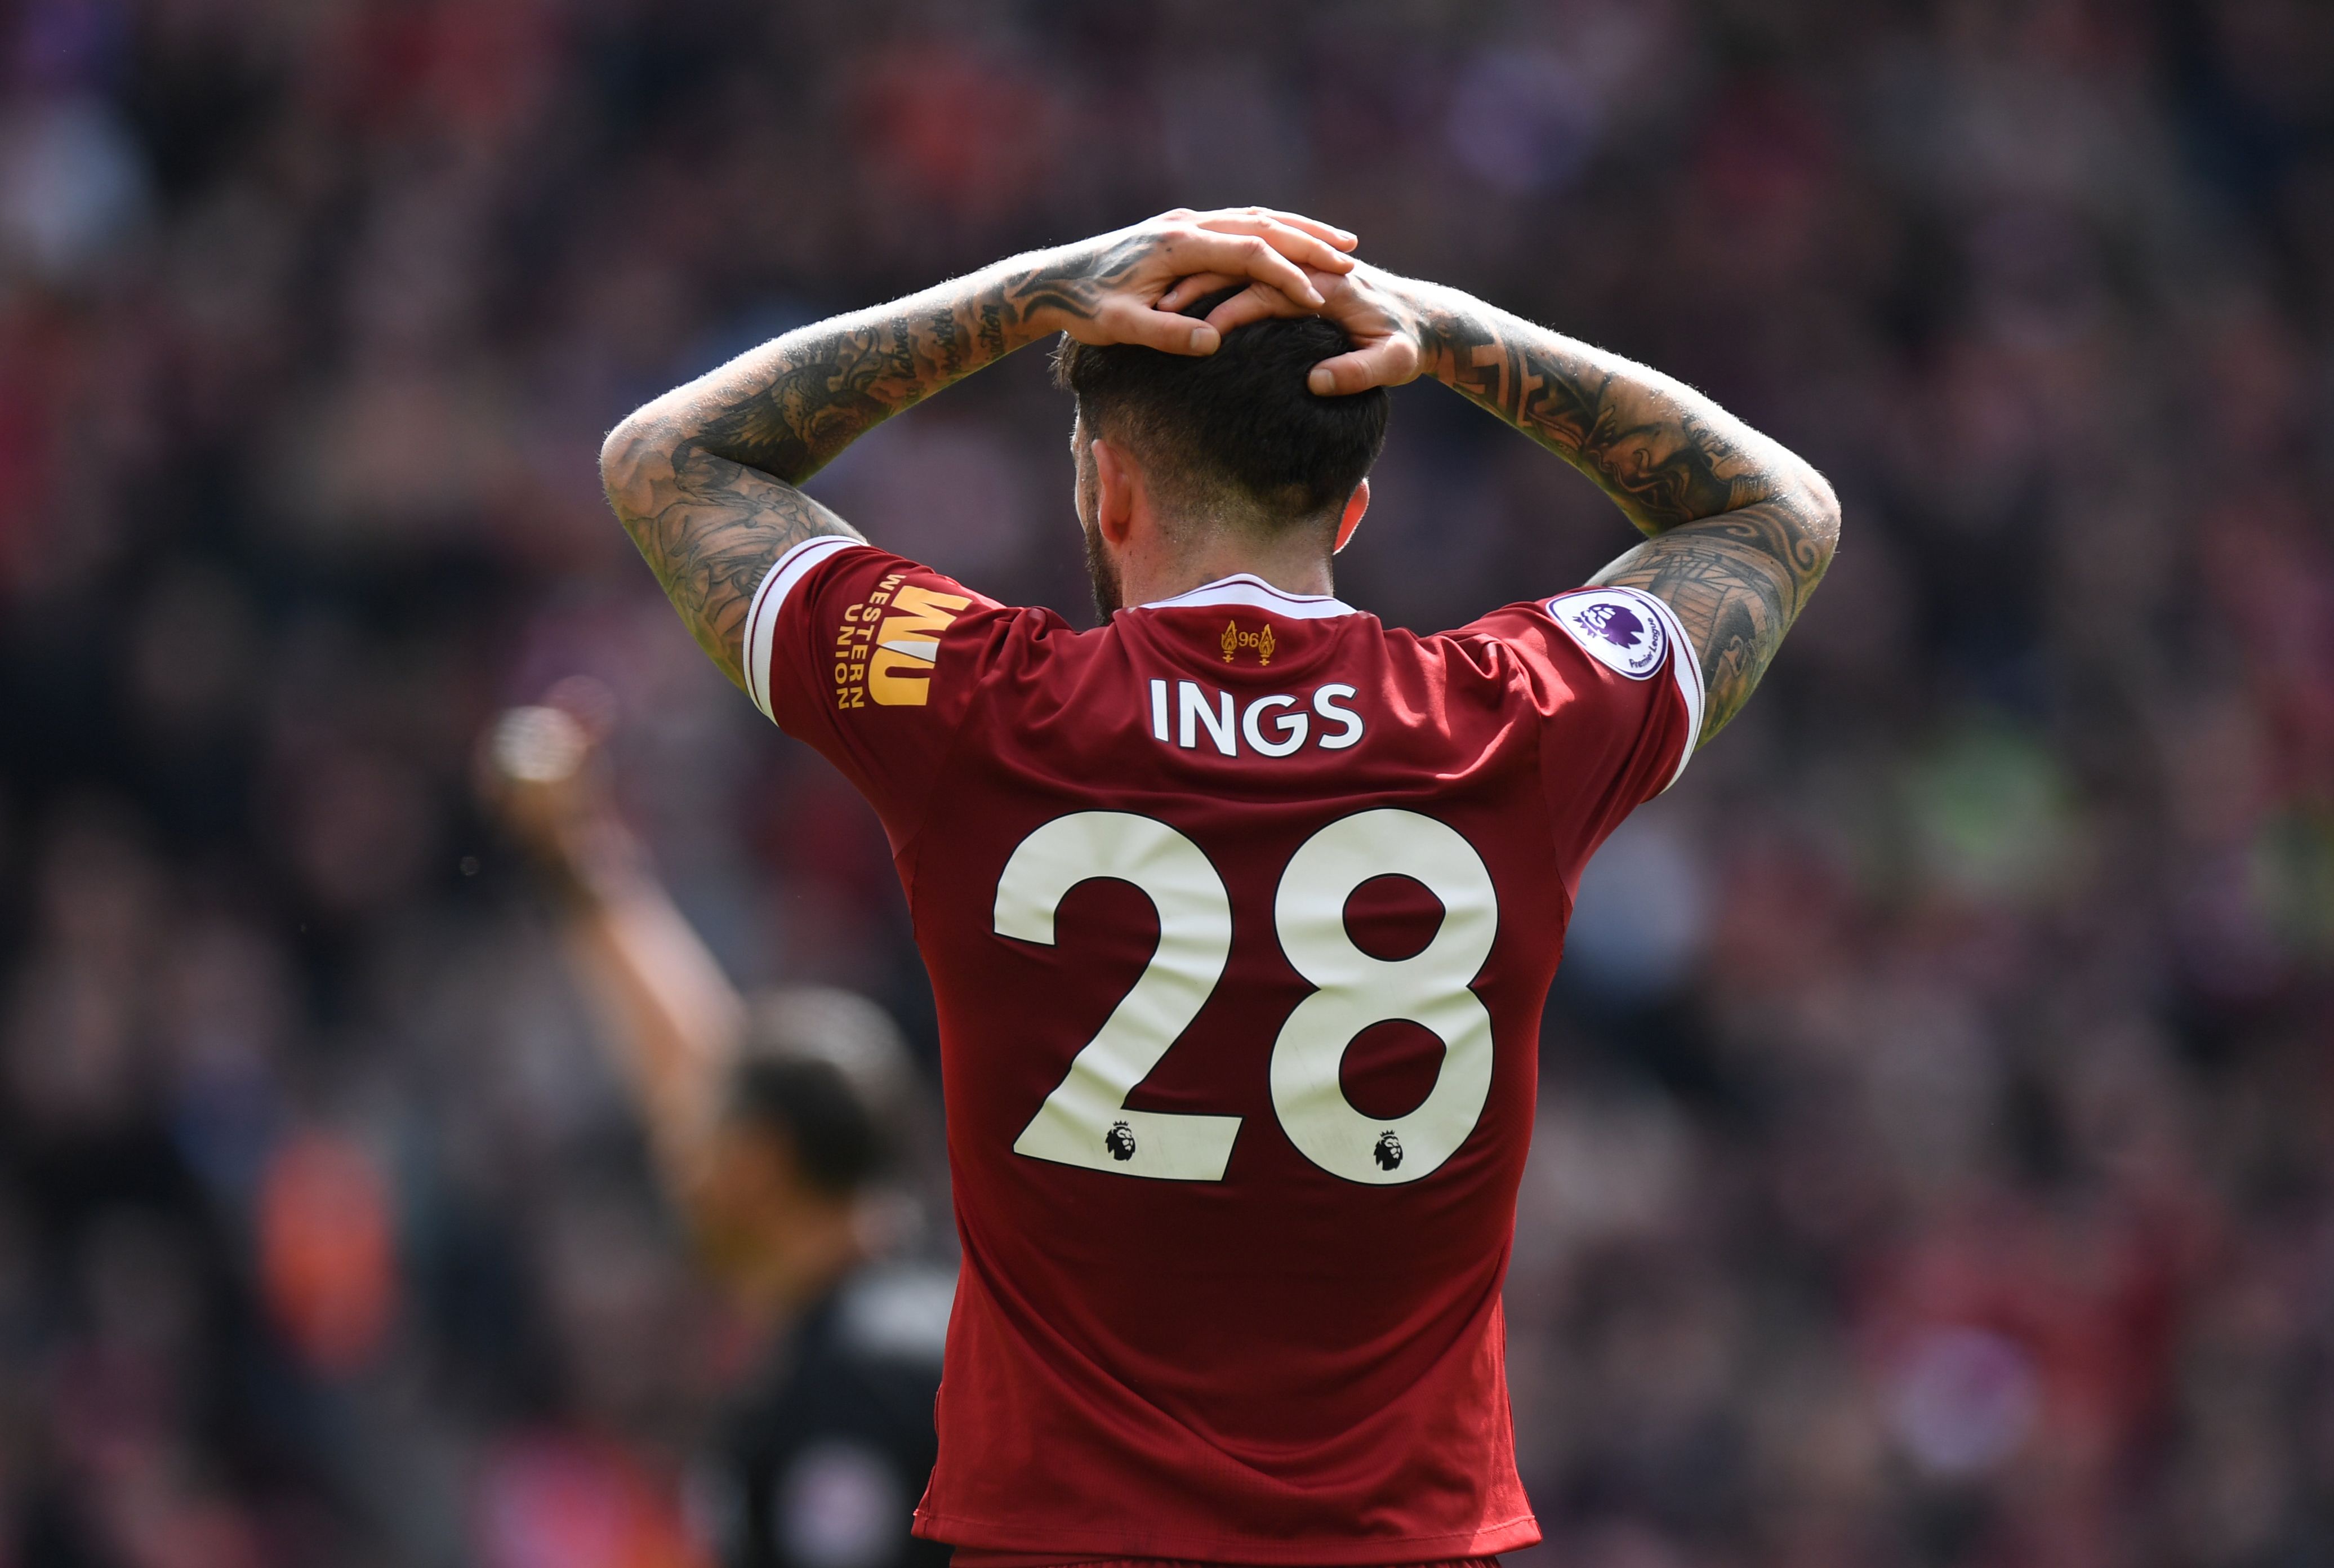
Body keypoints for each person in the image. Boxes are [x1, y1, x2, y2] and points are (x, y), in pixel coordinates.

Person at [596, 206, 1840, 1565]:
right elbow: (1775, 514)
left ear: (1109, 488)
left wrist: (1023, 295)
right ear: (1352, 506)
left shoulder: (976, 709)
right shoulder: (1515, 724)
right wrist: (1449, 332)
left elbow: (670, 460)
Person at [485, 697, 953, 1568]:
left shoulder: (854, 1385)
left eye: (701, 1143)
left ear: (758, 1164)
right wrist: (575, 858)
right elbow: (687, 1060)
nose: (677, 1162)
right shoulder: (905, 1332)